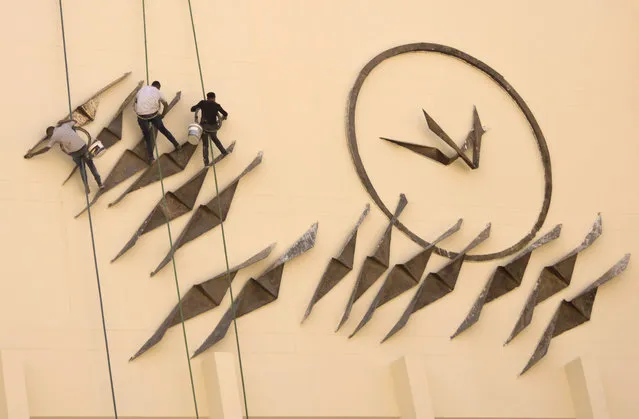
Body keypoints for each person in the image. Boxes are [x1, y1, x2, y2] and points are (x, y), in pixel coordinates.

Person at [24, 119, 103, 191]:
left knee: (82, 168)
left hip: (75, 153)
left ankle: (86, 186)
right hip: (83, 147)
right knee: (91, 166)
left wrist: (33, 154)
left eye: (49, 136)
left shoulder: (53, 137)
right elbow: (75, 121)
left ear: (50, 133)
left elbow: (46, 149)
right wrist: (63, 121)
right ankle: (100, 184)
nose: (49, 137)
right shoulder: (65, 125)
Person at [134, 81, 180, 162]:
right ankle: (176, 144)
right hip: (153, 115)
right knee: (163, 130)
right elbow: (165, 104)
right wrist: (163, 115)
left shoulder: (142, 89)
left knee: (147, 137)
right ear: (158, 87)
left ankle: (151, 157)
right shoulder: (158, 91)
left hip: (141, 116)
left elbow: (136, 101)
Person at [190, 92, 228, 165]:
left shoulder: (202, 103)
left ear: (207, 97)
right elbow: (225, 113)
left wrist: (197, 108)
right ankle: (224, 152)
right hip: (213, 128)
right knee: (215, 140)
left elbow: (192, 109)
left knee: (205, 144)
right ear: (214, 98)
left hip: (204, 127)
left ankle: (206, 163)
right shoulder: (217, 105)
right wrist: (223, 117)